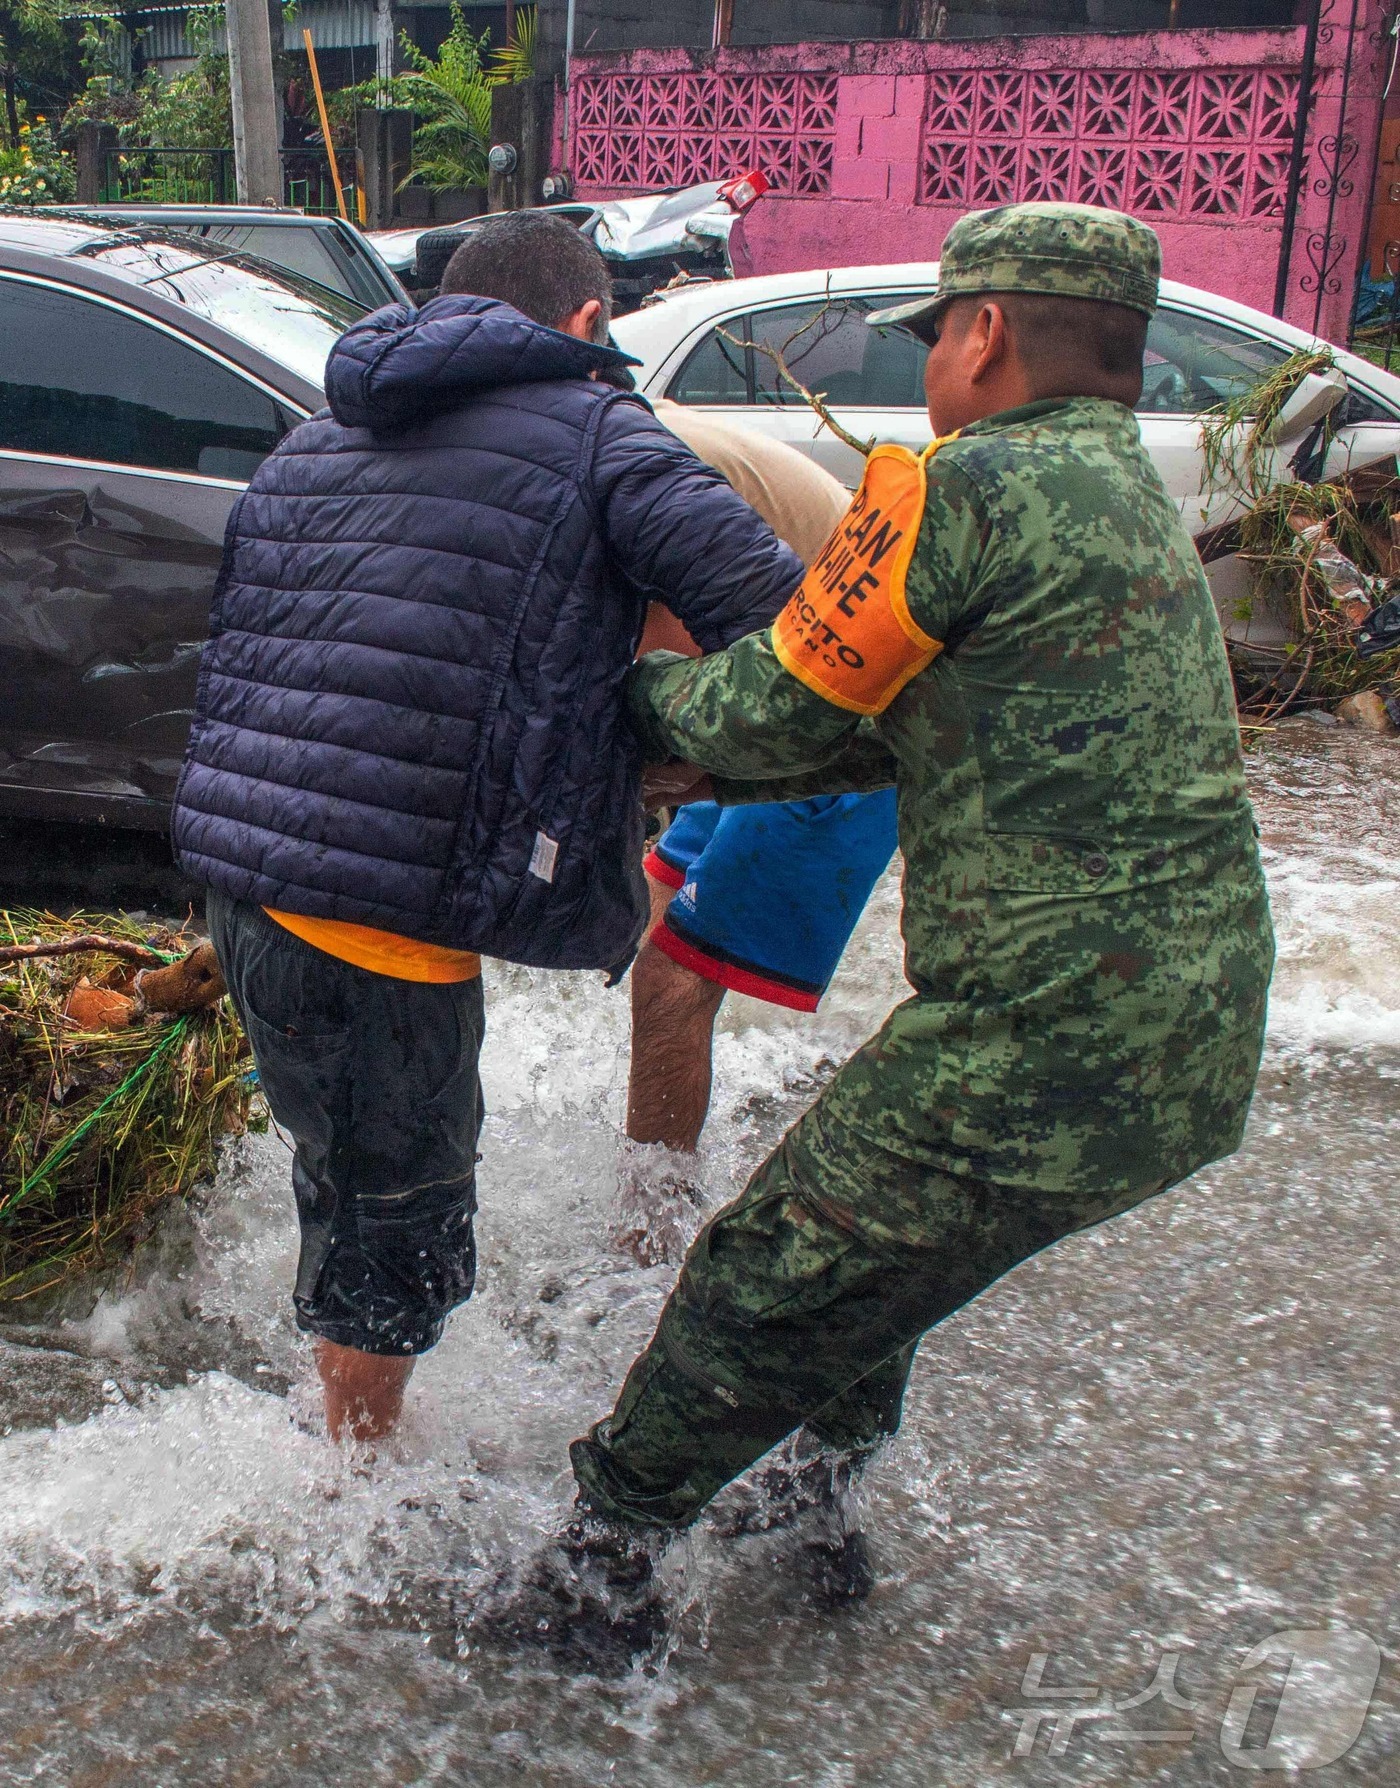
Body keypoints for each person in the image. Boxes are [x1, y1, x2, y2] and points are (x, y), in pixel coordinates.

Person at [513, 202, 1276, 1662]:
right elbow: (894, 737)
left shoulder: (956, 486)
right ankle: (809, 1515)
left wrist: (616, 711)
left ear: (985, 334)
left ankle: (591, 1578)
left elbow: (781, 709)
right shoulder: (1126, 501)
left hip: (1041, 1029)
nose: (929, 368)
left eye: (938, 337)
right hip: (1195, 1031)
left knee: (766, 1265)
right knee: (886, 1259)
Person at [170, 212, 805, 1444]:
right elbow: (776, 615)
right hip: (371, 936)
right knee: (393, 1239)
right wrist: (653, 727)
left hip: (247, 892)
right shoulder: (600, 436)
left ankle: (346, 1455)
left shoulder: (314, 438)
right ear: (585, 323)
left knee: (344, 1190)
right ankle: (352, 1513)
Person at [620, 398, 898, 1254]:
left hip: (850, 707)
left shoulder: (623, 464)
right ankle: (661, 1184)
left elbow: (654, 664)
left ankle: (645, 1248)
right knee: (657, 929)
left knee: (672, 976)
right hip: (764, 681)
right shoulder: (592, 428)